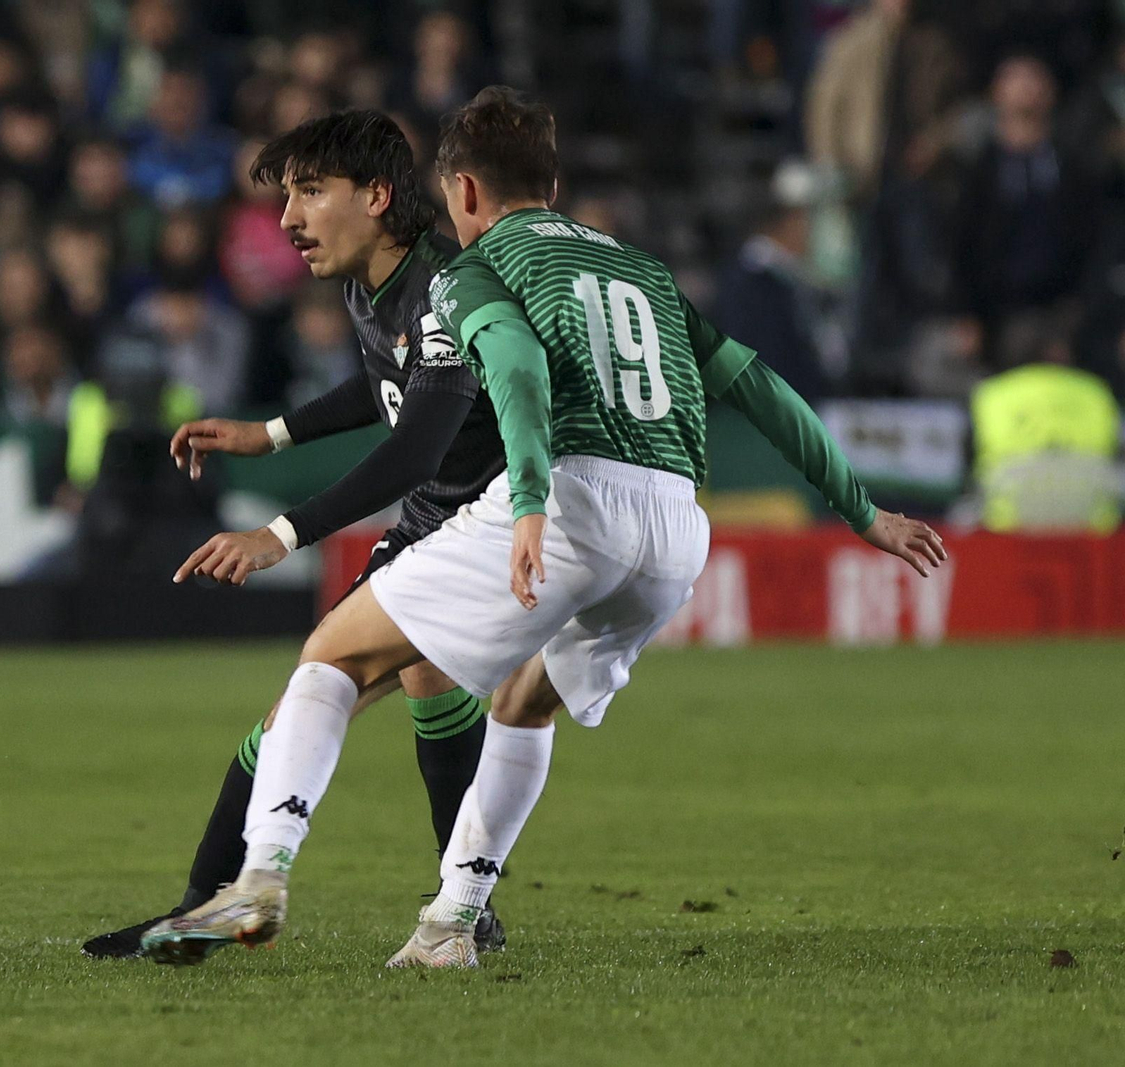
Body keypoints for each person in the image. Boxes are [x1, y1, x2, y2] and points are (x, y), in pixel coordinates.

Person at [142, 87, 945, 968]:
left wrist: (528, 500)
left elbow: (516, 369)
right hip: (677, 525)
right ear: (552, 185)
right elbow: (762, 388)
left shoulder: (471, 270)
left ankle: (260, 880)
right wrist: (864, 511)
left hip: (572, 500)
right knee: (523, 703)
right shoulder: (642, 267)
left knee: (331, 655)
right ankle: (452, 921)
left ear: (465, 192)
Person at [81, 109, 509, 960]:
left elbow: (412, 446)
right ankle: (465, 907)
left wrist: (282, 532)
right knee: (415, 682)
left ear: (378, 195)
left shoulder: (450, 288)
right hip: (442, 523)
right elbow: (384, 383)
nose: (287, 220)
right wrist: (268, 432)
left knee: (318, 690)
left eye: (311, 192)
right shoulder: (370, 284)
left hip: (500, 522)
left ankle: (213, 906)